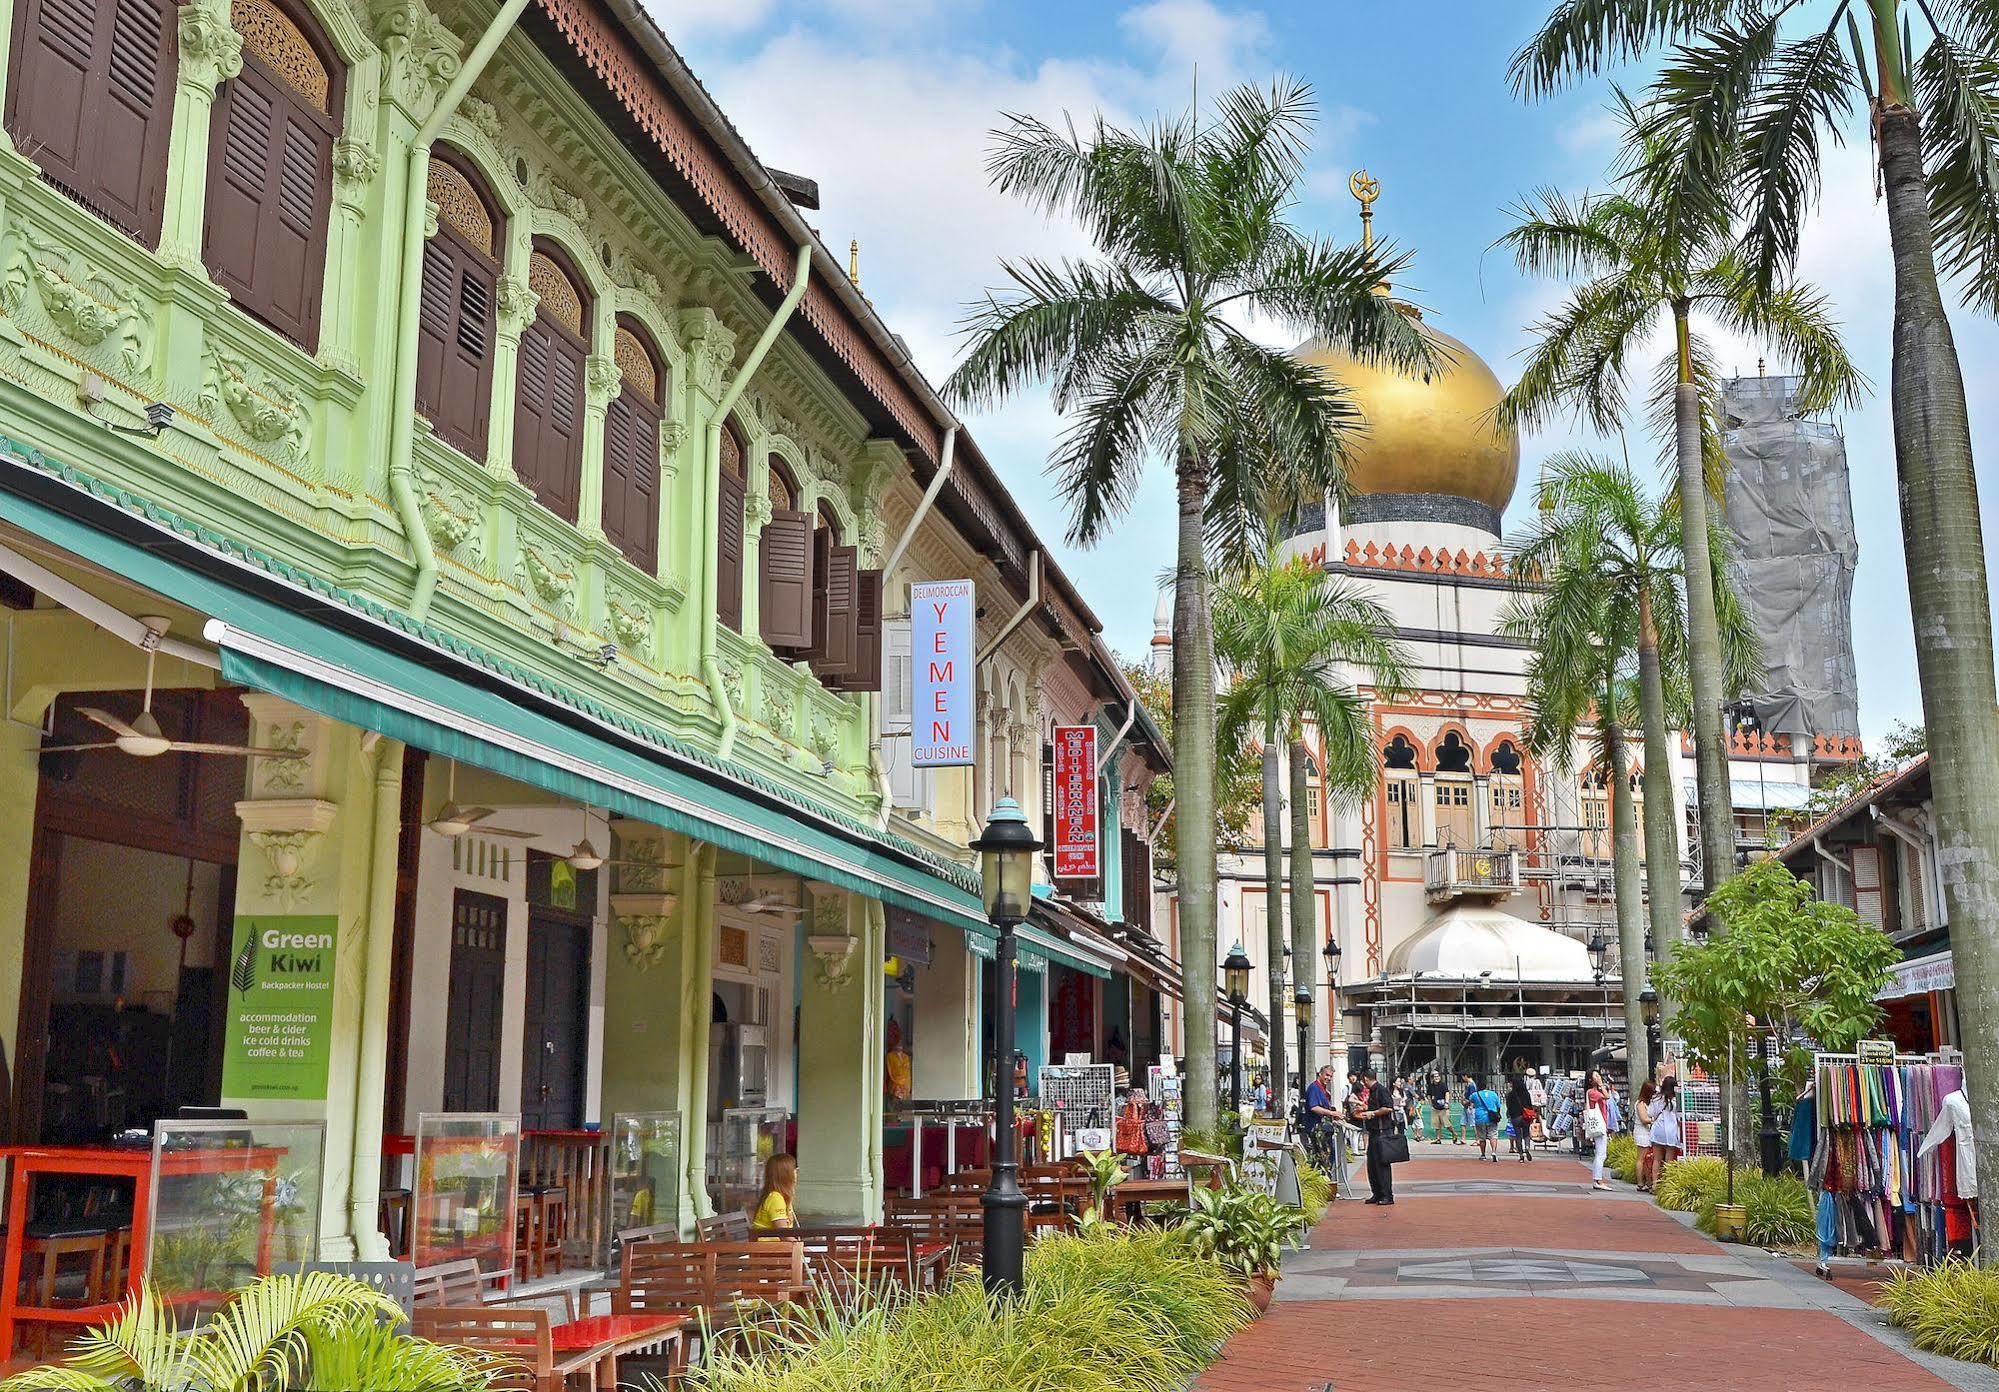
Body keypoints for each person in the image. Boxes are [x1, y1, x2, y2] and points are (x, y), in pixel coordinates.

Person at [1356, 1068, 1398, 1205]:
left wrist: (1372, 1113)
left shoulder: (1381, 1090)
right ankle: (1377, 1193)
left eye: (1363, 1081)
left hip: (1382, 1132)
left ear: (1366, 1079)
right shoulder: (1372, 1091)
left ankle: (1387, 1195)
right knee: (1372, 1164)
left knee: (1382, 1164)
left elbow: (1388, 1107)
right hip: (1374, 1131)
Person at [1649, 1076, 1683, 1185]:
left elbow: (1651, 1113)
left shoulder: (1657, 1099)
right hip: (1672, 1131)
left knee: (1657, 1159)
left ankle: (1654, 1184)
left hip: (1658, 1130)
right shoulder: (1677, 1100)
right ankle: (1667, 1184)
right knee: (1669, 1160)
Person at [752, 1152, 798, 1231]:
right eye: (795, 1171)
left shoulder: (782, 1196)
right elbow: (784, 1234)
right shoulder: (776, 1198)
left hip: (776, 1242)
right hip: (769, 1243)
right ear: (785, 1175)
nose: (797, 1174)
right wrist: (802, 1242)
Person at [1584, 1070, 1612, 1191]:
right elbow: (1607, 1096)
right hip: (1599, 1125)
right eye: (1595, 1075)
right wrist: (1601, 1085)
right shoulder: (1592, 1092)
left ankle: (1597, 1179)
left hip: (1601, 1124)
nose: (1598, 1077)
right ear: (1591, 1080)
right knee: (1601, 1153)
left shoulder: (1594, 1091)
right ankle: (1598, 1180)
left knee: (1600, 1153)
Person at [1633, 1080, 1658, 1192]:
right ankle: (1640, 1182)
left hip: (1645, 1132)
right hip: (1642, 1132)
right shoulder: (1641, 1104)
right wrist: (1654, 1120)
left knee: (1646, 1159)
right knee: (1641, 1159)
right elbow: (1644, 1119)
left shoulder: (1645, 1103)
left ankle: (1647, 1181)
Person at [1505, 1074, 1534, 1163]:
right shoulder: (1526, 1093)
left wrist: (1510, 1115)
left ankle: (1521, 1155)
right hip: (1525, 1116)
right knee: (1526, 1134)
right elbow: (1530, 1105)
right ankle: (1527, 1147)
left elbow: (1508, 1106)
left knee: (1518, 1135)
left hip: (1515, 1117)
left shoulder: (1510, 1094)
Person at [1427, 1070, 1457, 1143]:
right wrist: (1431, 1104)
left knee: (1447, 1124)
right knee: (1436, 1124)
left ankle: (1454, 1134)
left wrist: (1446, 1103)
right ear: (1432, 1078)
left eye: (1438, 1076)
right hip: (1435, 1107)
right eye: (1435, 1076)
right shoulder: (1430, 1086)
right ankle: (1438, 1138)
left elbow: (1447, 1093)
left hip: (1443, 1107)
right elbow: (1428, 1095)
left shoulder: (1443, 1084)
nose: (1437, 1078)